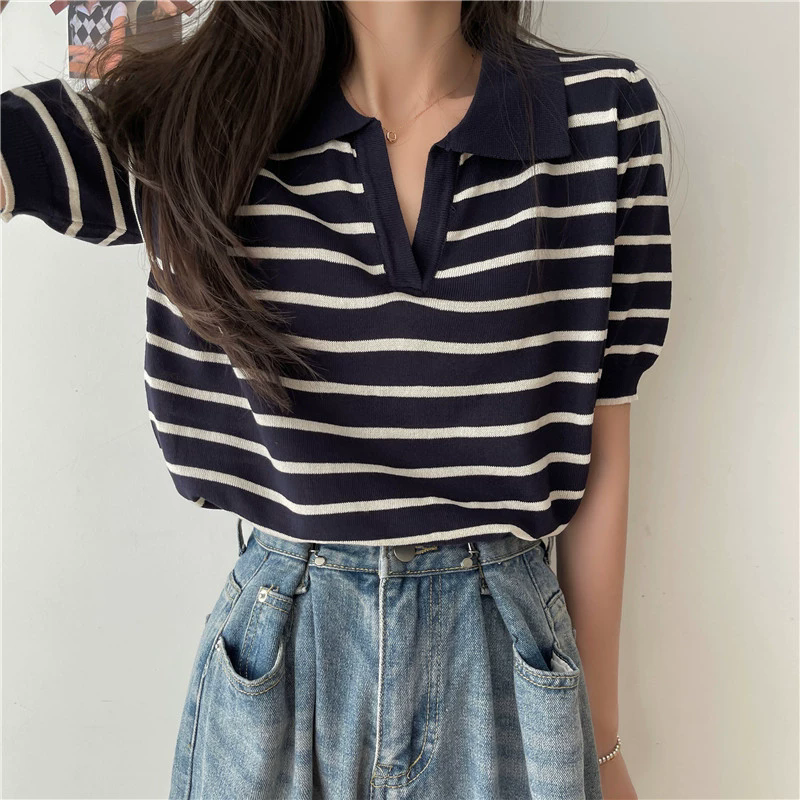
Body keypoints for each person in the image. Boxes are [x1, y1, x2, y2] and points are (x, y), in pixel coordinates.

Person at [0, 1, 672, 797]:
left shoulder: (600, 115)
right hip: (278, 664)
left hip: (510, 673)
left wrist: (600, 741)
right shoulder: (190, 117)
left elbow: (602, 449)